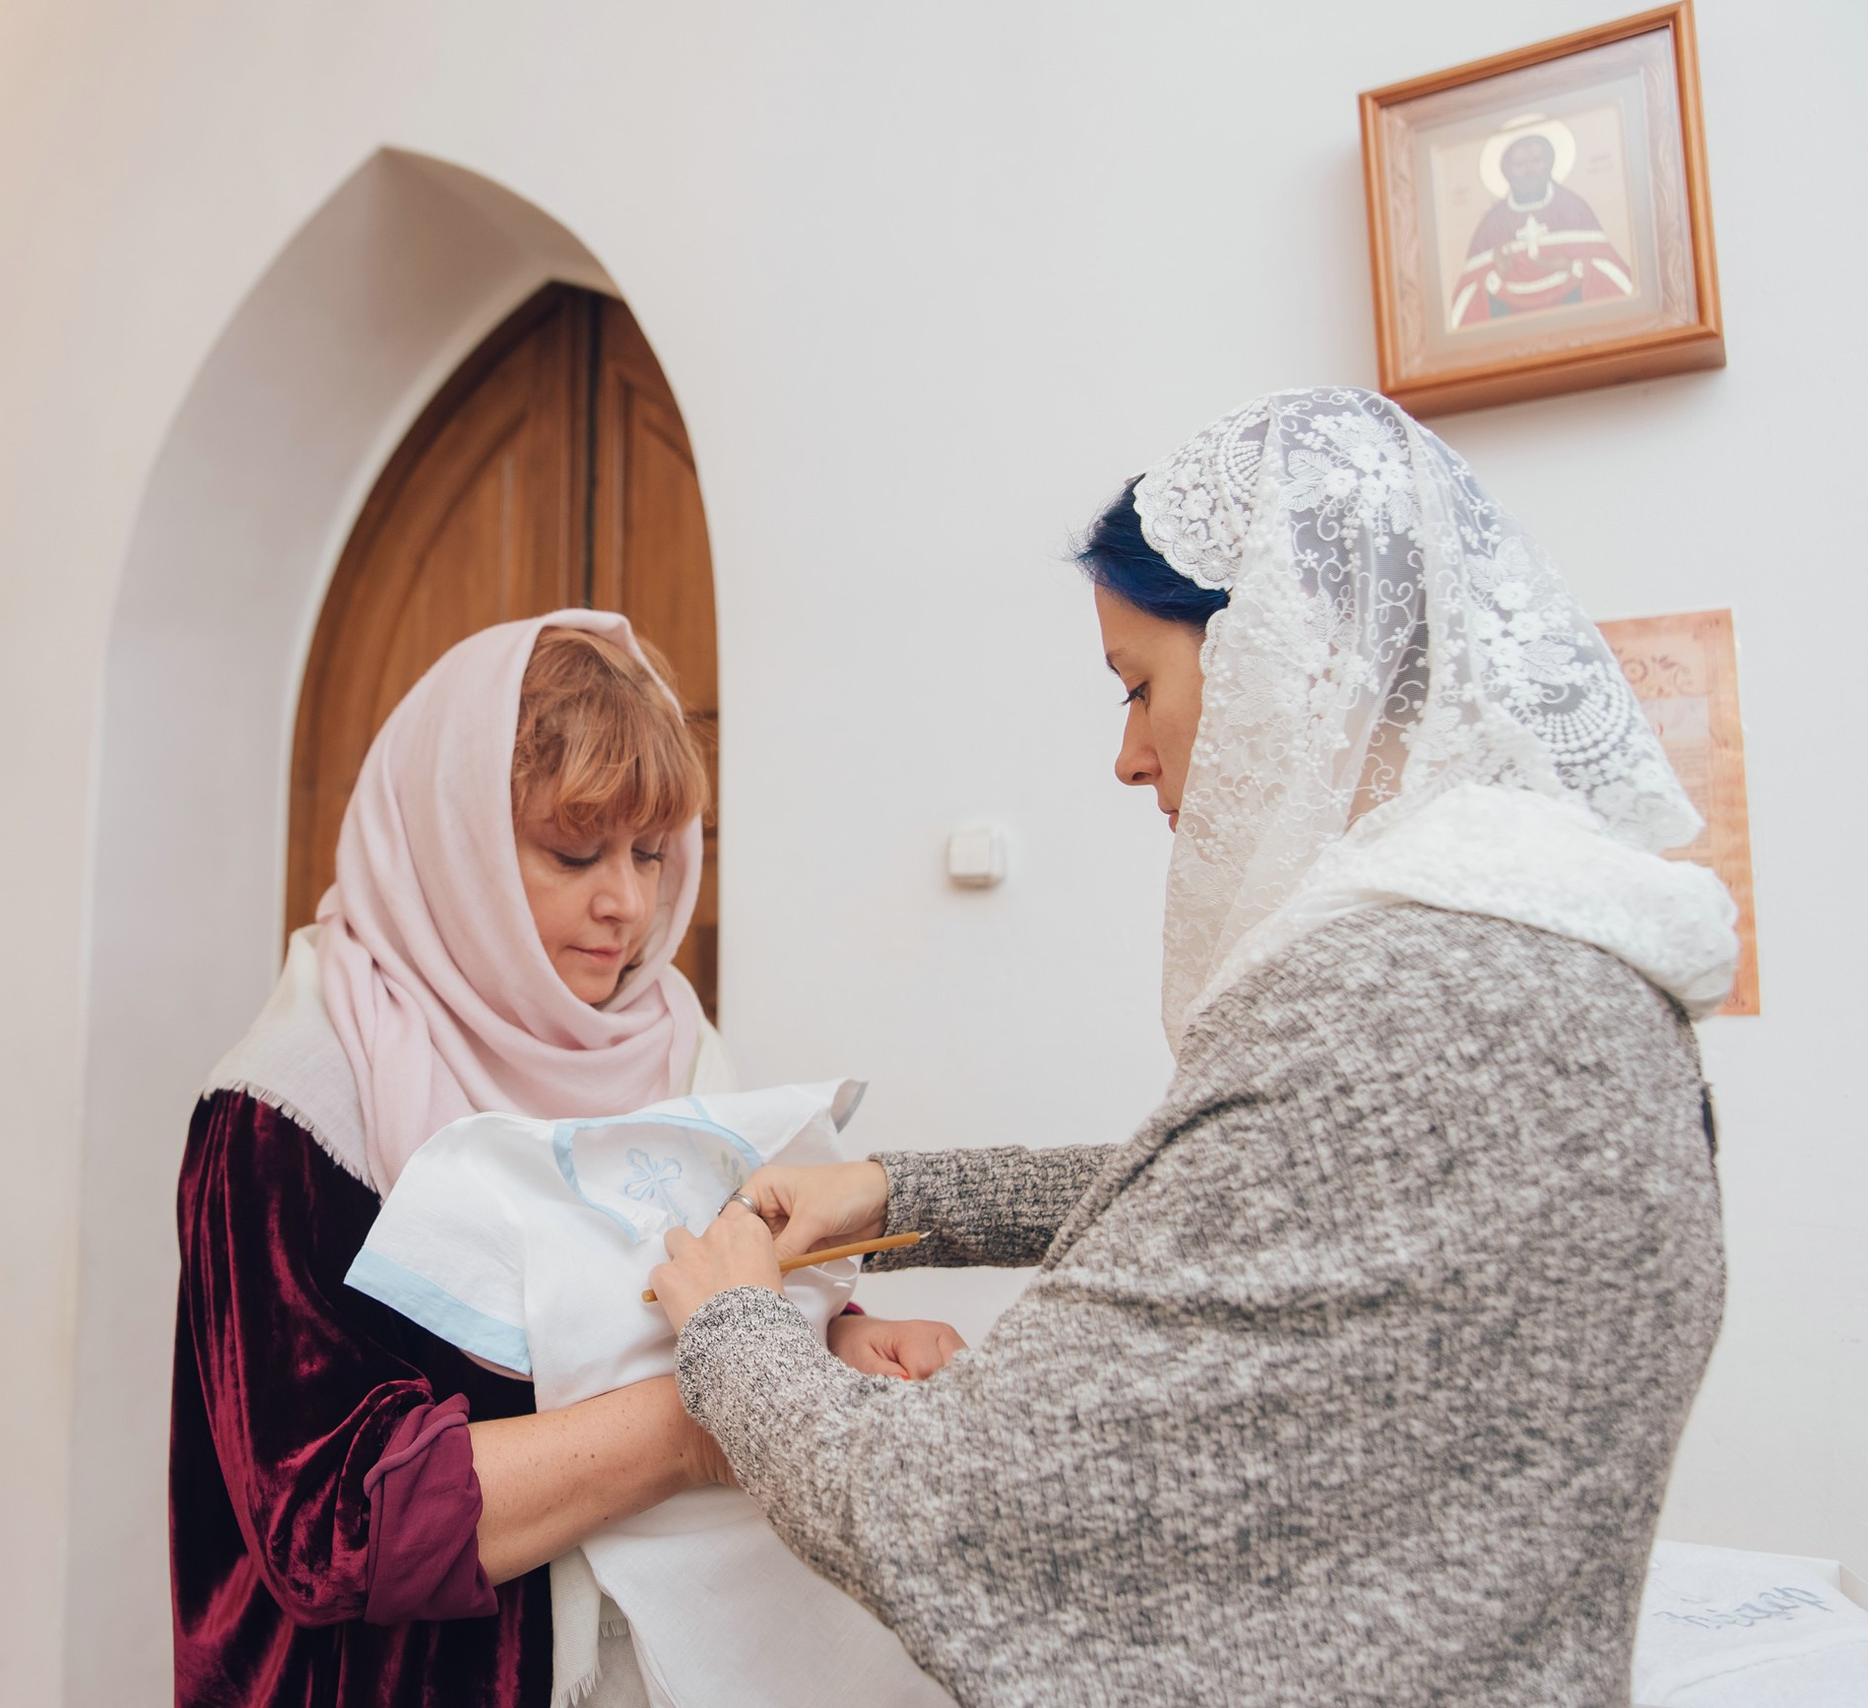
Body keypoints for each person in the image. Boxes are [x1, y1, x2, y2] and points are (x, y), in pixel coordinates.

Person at [649, 388, 1740, 1707]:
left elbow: (945, 1507)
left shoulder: (1377, 995)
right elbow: (1272, 1191)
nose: (1127, 754)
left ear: (1286, 660)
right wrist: (899, 1200)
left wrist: (733, 1333)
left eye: (1140, 686)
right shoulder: (1567, 956)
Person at [172, 611, 964, 1708]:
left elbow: (692, 1293)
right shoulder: (293, 1103)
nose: (628, 907)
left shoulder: (669, 1036)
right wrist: (701, 1427)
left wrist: (842, 1343)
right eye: (572, 852)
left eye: (649, 853)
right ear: (454, 848)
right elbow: (325, 1527)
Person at [1451, 129, 1635, 330]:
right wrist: (1498, 275)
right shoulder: (1493, 223)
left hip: (1573, 318)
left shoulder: (1573, 208)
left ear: (1549, 162)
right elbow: (1468, 292)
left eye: (1537, 160)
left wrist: (1571, 267)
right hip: (1513, 326)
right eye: (1520, 165)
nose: (1530, 170)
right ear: (1507, 170)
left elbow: (1609, 269)